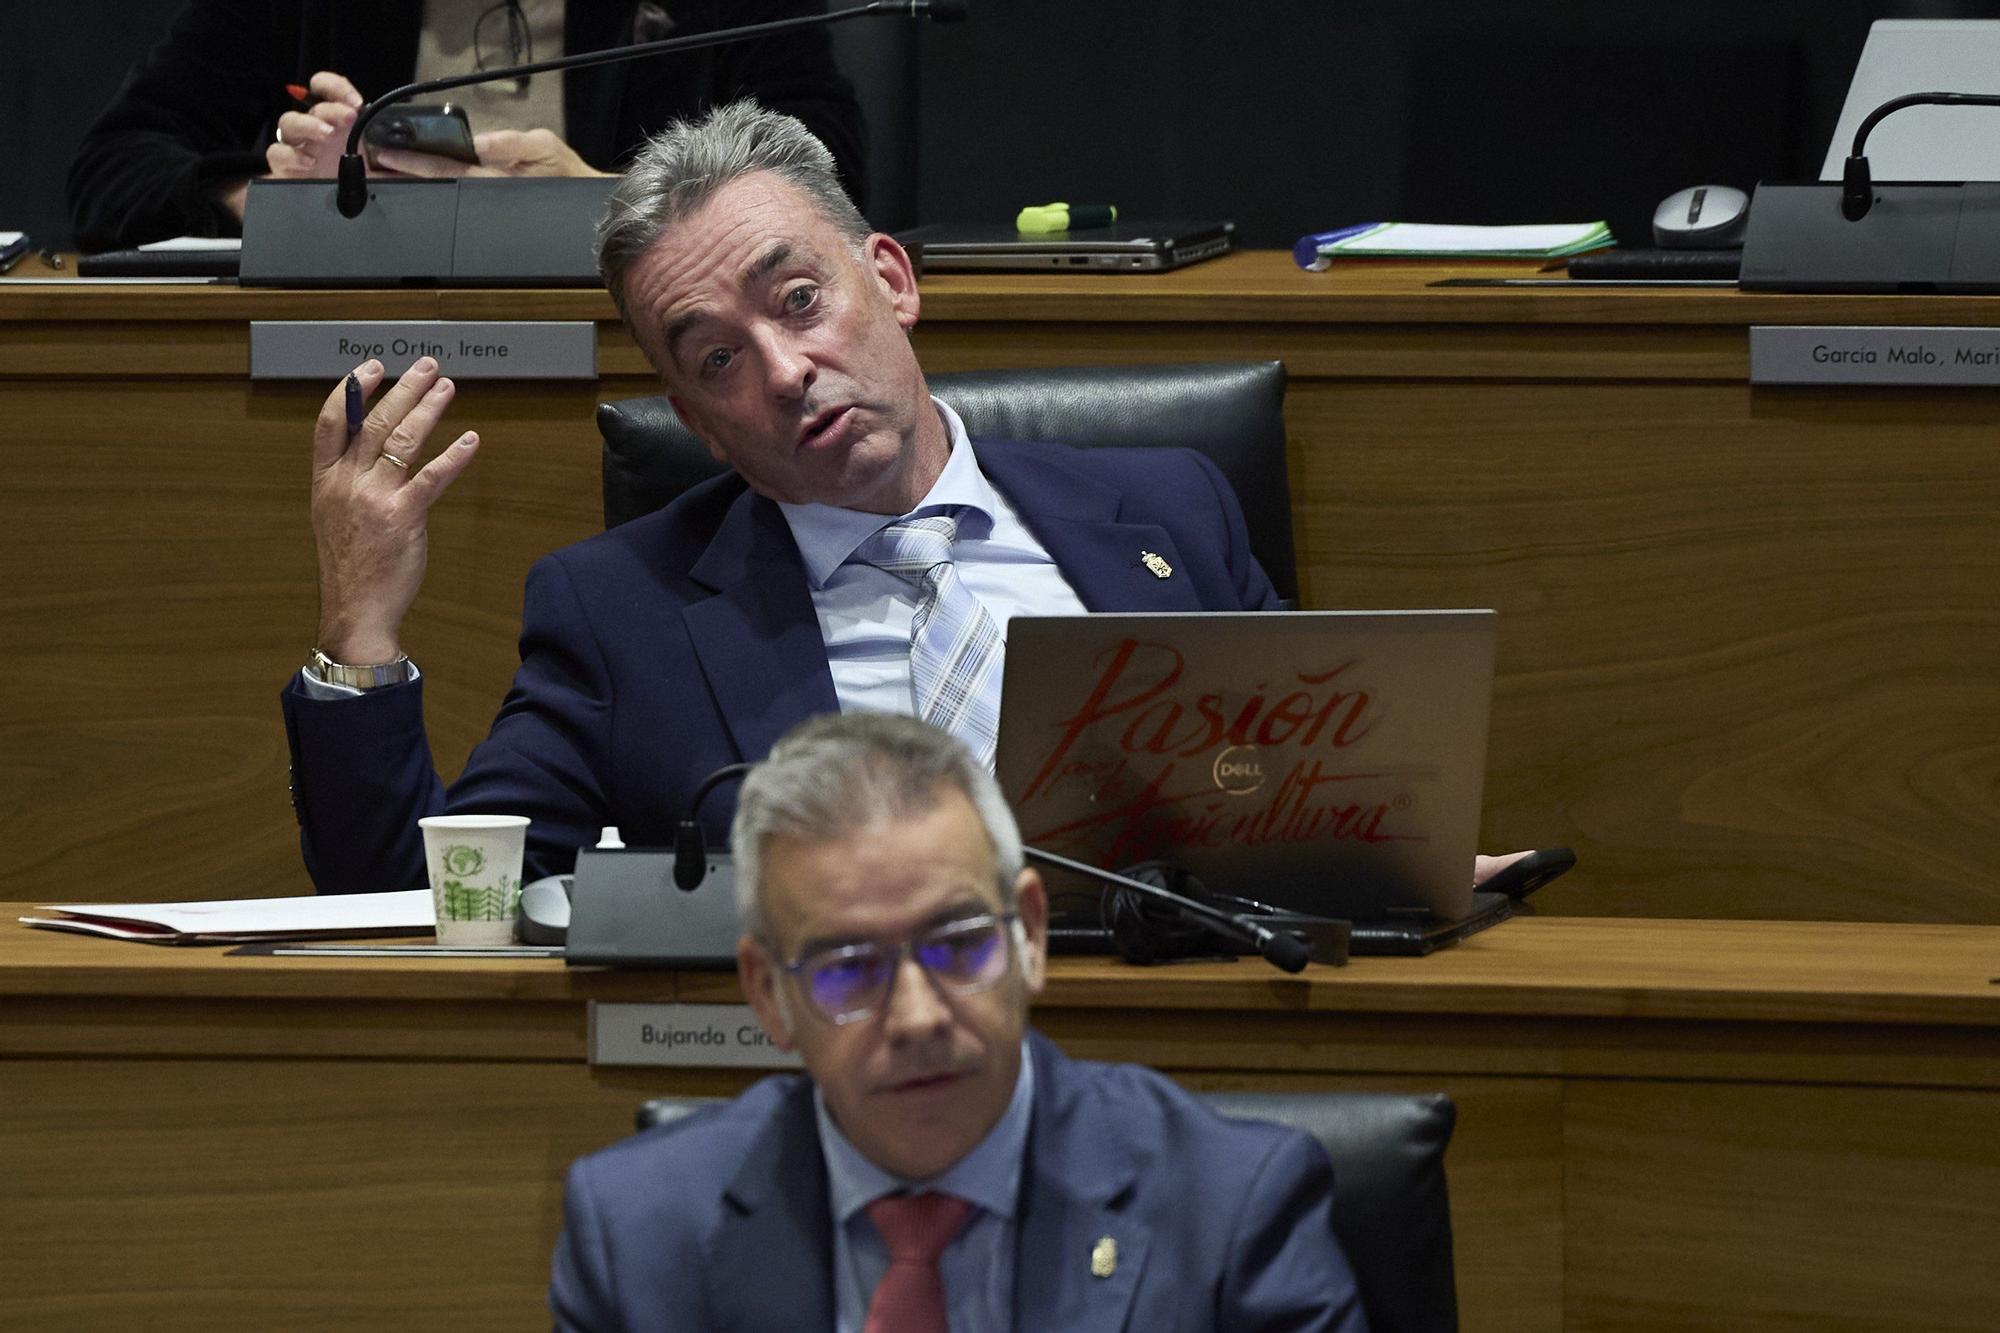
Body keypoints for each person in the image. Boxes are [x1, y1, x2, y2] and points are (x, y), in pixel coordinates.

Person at [283, 99, 1292, 893]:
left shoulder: (1169, 509)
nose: (783, 370)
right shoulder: (621, 618)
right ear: (693, 420)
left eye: (799, 301)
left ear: (890, 279)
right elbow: (420, 896)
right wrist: (357, 632)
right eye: (716, 356)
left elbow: (1326, 796)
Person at [547, 712, 1370, 1332]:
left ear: (1031, 935)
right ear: (769, 995)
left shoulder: (1231, 1212)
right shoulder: (637, 1235)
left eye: (957, 947)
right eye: (846, 968)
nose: (915, 1016)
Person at [66, 0, 865, 252]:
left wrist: (617, 201)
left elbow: (828, 168)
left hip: (633, 349)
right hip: (350, 351)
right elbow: (112, 168)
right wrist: (283, 204)